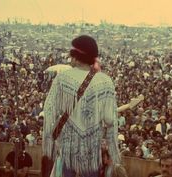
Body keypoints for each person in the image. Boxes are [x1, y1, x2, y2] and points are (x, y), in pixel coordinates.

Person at [43, 35, 120, 177]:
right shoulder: (105, 81)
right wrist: (111, 147)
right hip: (92, 150)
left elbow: (49, 111)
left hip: (68, 148)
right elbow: (110, 119)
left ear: (75, 56)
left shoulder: (63, 78)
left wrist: (51, 142)